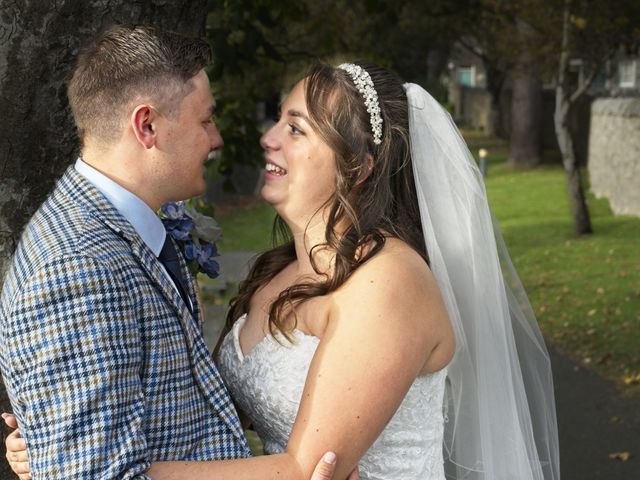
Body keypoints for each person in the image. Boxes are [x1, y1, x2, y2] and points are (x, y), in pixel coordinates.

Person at [5, 58, 561, 478]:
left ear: (359, 167)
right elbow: (216, 405)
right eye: (278, 119)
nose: (268, 138)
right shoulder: (278, 273)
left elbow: (301, 469)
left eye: (296, 129)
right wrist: (63, 434)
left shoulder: (388, 284)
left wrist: (88, 469)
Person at [0, 24, 352, 480]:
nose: (217, 138)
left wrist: (54, 443)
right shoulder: (77, 269)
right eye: (205, 119)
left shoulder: (121, 230)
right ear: (147, 126)